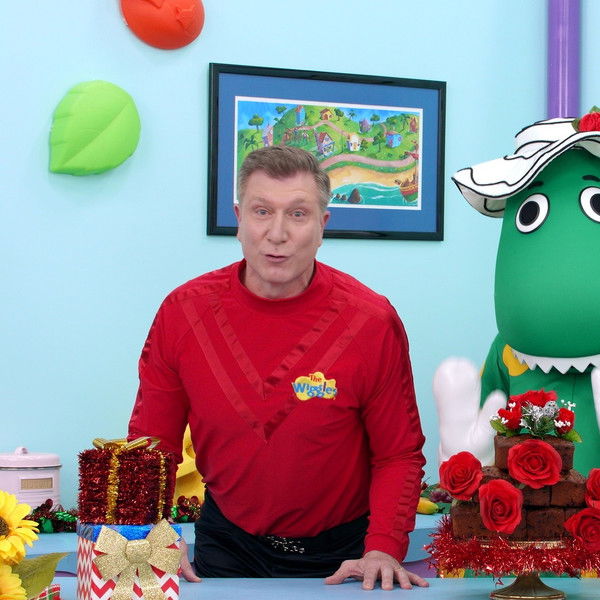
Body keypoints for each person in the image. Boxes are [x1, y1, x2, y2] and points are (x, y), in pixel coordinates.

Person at [128, 145, 428, 591]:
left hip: (345, 556)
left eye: (298, 214)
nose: (277, 233)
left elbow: (397, 453)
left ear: (323, 226)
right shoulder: (182, 312)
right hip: (225, 546)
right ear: (239, 219)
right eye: (262, 211)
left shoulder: (371, 321)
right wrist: (148, 535)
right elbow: (152, 443)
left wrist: (383, 548)